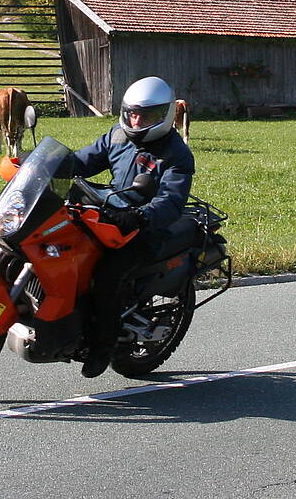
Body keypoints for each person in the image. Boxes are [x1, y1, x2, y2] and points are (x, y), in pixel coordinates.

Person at [67, 75, 196, 378]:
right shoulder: (117, 136)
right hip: (108, 216)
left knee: (107, 274)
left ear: (164, 115)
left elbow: (170, 202)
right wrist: (44, 163)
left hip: (146, 229)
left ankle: (102, 345)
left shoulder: (176, 155)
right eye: (132, 113)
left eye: (146, 115)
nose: (137, 121)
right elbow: (81, 161)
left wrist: (140, 216)